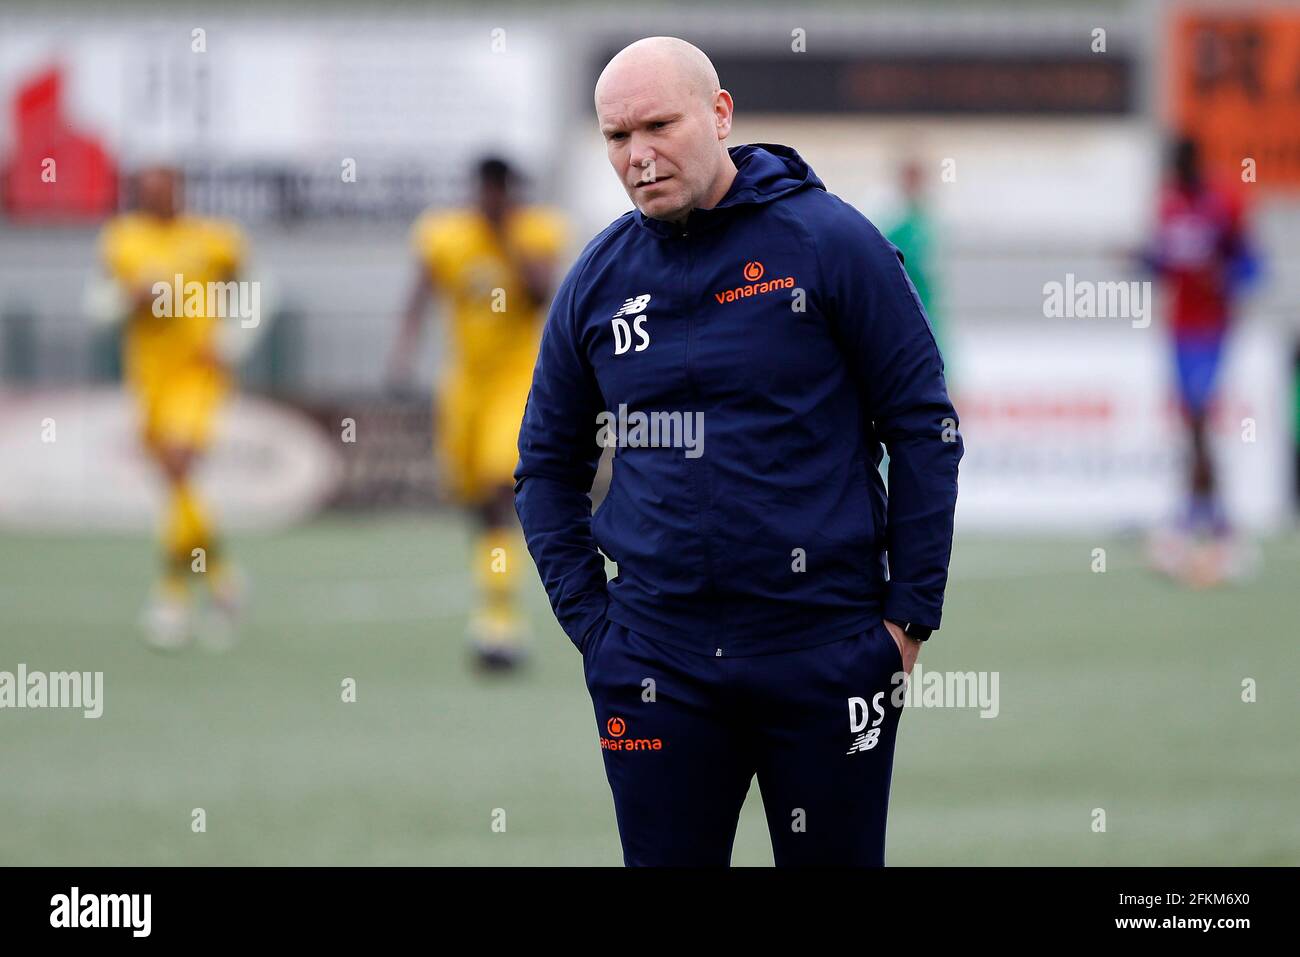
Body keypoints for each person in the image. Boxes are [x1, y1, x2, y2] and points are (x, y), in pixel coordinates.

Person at [514, 37, 962, 866]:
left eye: (658, 125)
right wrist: (595, 630)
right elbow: (545, 465)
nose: (639, 156)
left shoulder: (833, 243)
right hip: (653, 666)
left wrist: (907, 619)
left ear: (720, 116)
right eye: (617, 137)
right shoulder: (597, 279)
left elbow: (925, 427)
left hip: (827, 655)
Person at [390, 157, 567, 669]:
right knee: (473, 499)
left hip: (515, 381)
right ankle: (493, 597)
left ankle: (499, 620)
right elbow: (420, 292)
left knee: (498, 488)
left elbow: (539, 296)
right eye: (483, 190)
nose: (489, 199)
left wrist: (507, 236)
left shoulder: (534, 230)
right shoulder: (445, 233)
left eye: (498, 191)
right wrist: (403, 352)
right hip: (463, 384)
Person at [89, 163, 253, 651]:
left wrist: (232, 340)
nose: (154, 198)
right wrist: (132, 298)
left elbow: (248, 287)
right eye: (145, 191)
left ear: (180, 190)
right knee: (176, 487)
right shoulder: (123, 239)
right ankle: (222, 578)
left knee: (180, 469)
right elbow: (100, 305)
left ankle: (173, 594)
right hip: (148, 380)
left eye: (162, 190)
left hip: (196, 376)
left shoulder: (213, 239)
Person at [1140, 135, 1258, 586]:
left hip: (1212, 329)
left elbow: (1250, 262)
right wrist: (1139, 259)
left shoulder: (1224, 201)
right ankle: (1210, 518)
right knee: (1191, 422)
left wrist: (1226, 279)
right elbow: (1166, 262)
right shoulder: (1169, 206)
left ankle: (1209, 521)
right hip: (1179, 328)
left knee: (1200, 417)